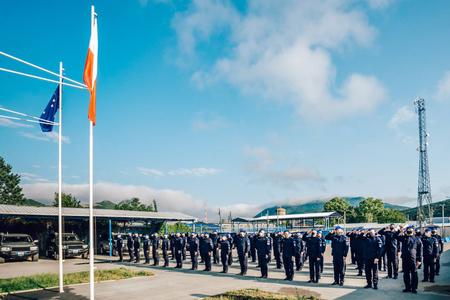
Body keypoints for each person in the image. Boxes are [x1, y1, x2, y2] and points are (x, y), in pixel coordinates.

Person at [398, 226, 422, 294]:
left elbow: (420, 250)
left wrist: (419, 260)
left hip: (413, 259)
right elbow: (395, 236)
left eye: (410, 230)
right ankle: (407, 288)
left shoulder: (417, 239)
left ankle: (414, 288)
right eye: (408, 230)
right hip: (405, 259)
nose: (409, 231)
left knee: (414, 274)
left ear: (414, 231)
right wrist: (401, 231)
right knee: (406, 274)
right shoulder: (403, 238)